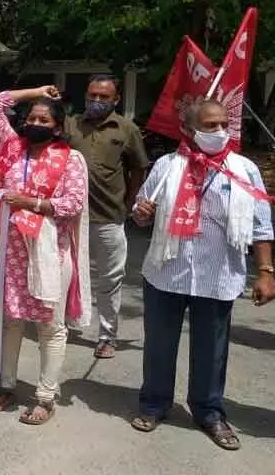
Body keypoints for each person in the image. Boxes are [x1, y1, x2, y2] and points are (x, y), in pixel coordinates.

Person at [131, 99, 274, 451]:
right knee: (159, 345)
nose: (219, 131)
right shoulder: (166, 166)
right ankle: (155, 403)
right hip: (167, 273)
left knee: (212, 350)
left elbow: (261, 227)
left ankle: (209, 412)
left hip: (219, 275)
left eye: (224, 124)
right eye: (210, 125)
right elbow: (139, 210)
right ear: (190, 129)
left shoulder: (244, 169)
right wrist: (142, 212)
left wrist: (266, 271)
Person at [0, 84, 91, 426]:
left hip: (51, 252)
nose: (35, 122)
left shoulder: (71, 159)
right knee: (11, 321)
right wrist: (37, 91)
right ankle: (6, 385)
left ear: (57, 128)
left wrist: (34, 204)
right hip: (12, 250)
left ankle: (45, 396)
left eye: (44, 119)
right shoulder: (14, 150)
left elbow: (72, 204)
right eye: (31, 117)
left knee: (49, 326)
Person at [64, 75, 148, 358]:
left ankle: (106, 336)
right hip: (70, 216)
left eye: (103, 97)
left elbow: (138, 167)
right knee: (67, 274)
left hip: (108, 216)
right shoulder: (70, 124)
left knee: (109, 279)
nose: (96, 101)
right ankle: (62, 325)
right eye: (92, 95)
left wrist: (130, 200)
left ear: (116, 100)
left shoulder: (127, 129)